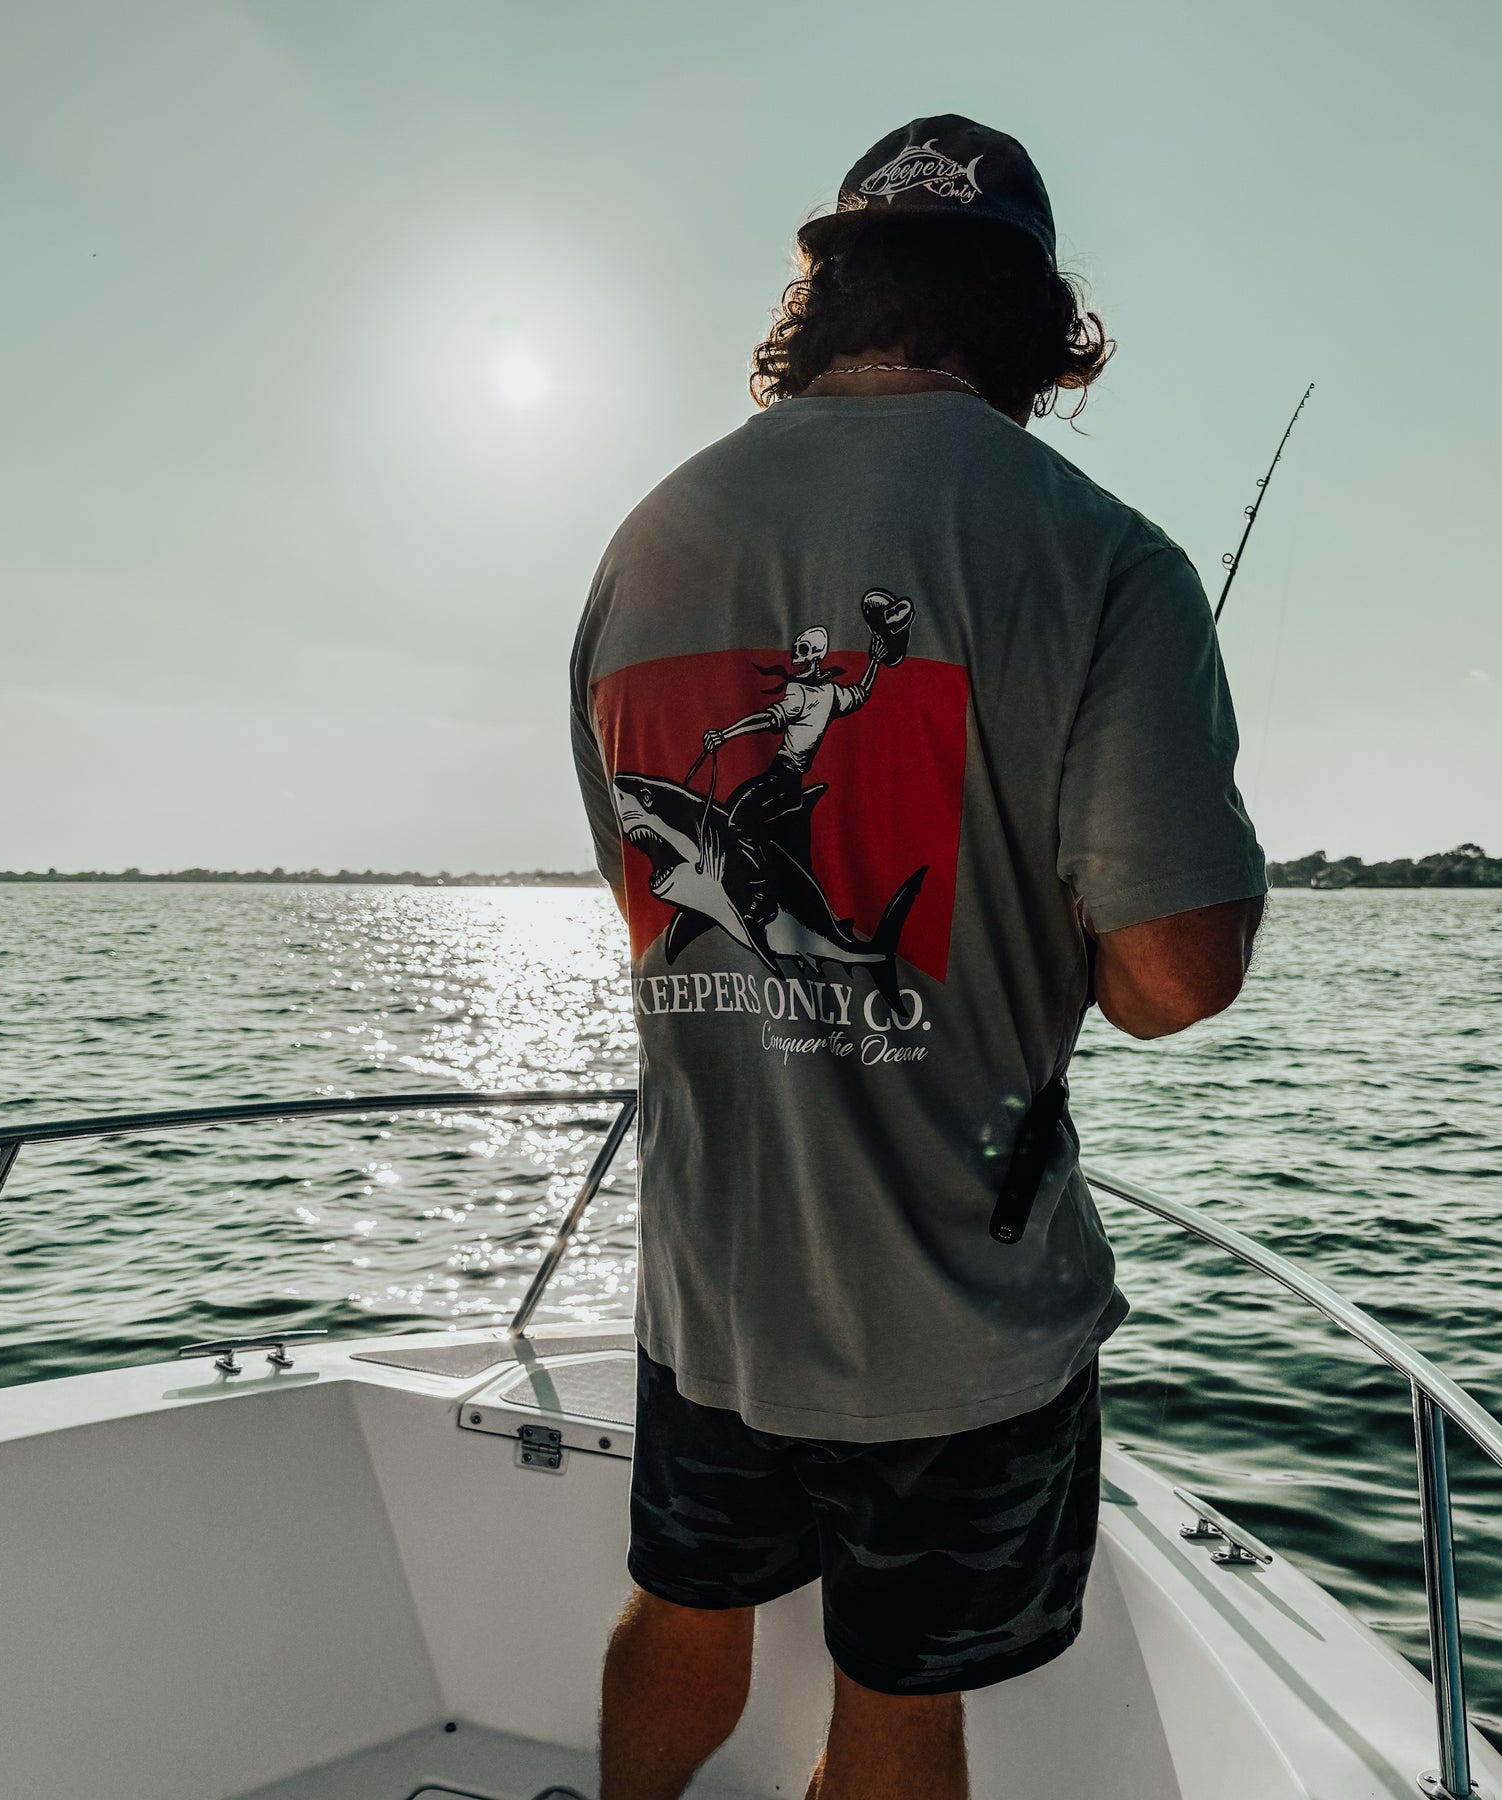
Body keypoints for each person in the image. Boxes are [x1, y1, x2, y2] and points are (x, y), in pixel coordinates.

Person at [570, 113, 1266, 1800]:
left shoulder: (646, 541)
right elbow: (1173, 983)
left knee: (682, 1605)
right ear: (1033, 322)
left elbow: (652, 906)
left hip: (708, 1285)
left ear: (829, 291)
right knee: (896, 1704)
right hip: (953, 1316)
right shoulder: (1107, 555)